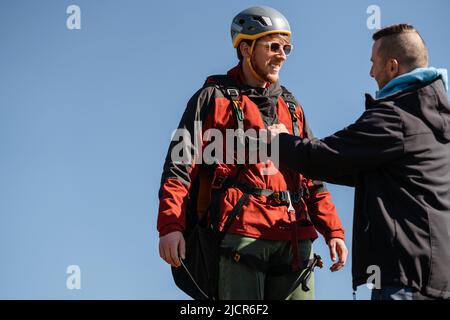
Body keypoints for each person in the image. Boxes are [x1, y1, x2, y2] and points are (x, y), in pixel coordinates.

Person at [157, 6, 347, 300]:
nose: (283, 55)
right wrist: (170, 226)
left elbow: (311, 177)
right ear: (246, 48)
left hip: (295, 239)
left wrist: (333, 230)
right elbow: (179, 167)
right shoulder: (212, 98)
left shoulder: (292, 106)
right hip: (240, 236)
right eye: (273, 46)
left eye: (287, 47)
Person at [268, 24, 450, 300]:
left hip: (405, 279)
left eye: (373, 64)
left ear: (392, 66)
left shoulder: (396, 116)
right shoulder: (437, 118)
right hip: (437, 275)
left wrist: (281, 141)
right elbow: (356, 169)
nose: (370, 73)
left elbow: (328, 156)